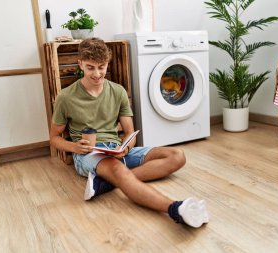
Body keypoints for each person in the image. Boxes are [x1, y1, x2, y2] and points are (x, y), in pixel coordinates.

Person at [49, 37, 209, 228]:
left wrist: (126, 146)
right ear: (80, 64)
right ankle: (175, 209)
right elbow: (54, 138)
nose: (97, 73)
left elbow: (129, 132)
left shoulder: (118, 91)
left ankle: (105, 184)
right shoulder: (66, 97)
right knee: (118, 170)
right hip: (88, 154)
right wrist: (74, 147)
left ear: (107, 63)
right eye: (90, 67)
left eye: (101, 67)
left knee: (177, 156)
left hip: (116, 149)